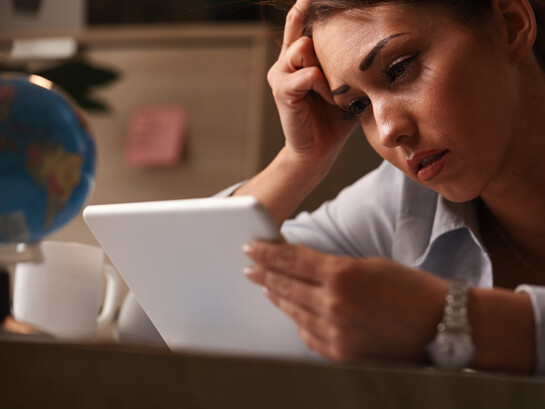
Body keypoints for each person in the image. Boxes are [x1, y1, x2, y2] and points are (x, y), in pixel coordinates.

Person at [233, 0, 545, 374]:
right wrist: (299, 160)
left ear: (510, 24)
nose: (386, 131)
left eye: (399, 69)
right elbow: (162, 316)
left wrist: (453, 319)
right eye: (356, 106)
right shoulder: (403, 202)